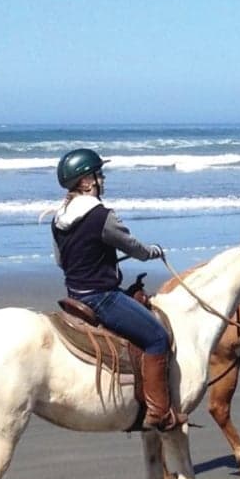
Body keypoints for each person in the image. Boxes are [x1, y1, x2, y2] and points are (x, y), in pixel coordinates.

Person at [51, 147, 182, 431]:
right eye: (99, 174)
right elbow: (131, 246)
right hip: (101, 297)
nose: (103, 179)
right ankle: (159, 412)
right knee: (157, 337)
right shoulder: (101, 215)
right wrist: (153, 252)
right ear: (86, 182)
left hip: (75, 295)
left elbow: (61, 260)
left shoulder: (57, 218)